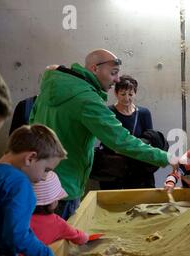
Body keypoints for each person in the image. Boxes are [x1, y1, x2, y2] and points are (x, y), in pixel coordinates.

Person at [29, 49, 175, 220]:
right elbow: (120, 140)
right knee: (61, 240)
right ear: (94, 68)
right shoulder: (86, 99)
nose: (117, 79)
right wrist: (168, 158)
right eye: (113, 73)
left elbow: (32, 123)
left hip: (39, 183)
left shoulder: (48, 90)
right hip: (65, 188)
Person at [0, 124, 66, 256]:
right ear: (31, 158)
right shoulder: (19, 183)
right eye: (46, 170)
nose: (44, 177)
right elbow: (16, 233)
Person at [14, 171, 88, 256]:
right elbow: (79, 238)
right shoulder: (56, 223)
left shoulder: (11, 218)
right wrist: (86, 236)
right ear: (53, 202)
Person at [97, 75, 158, 189]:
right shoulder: (108, 112)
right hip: (114, 167)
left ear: (135, 94)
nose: (126, 98)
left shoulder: (143, 113)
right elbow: (105, 139)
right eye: (123, 94)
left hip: (137, 166)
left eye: (130, 94)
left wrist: (134, 147)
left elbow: (150, 137)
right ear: (116, 93)